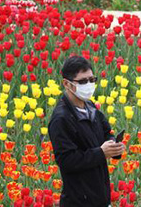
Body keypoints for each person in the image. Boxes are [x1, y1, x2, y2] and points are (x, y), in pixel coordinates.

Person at [48, 56, 126, 207]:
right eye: (83, 81)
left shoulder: (90, 107)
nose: (89, 85)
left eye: (91, 79)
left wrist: (113, 146)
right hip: (78, 200)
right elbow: (66, 161)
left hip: (100, 197)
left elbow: (106, 131)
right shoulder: (61, 119)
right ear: (66, 84)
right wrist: (101, 153)